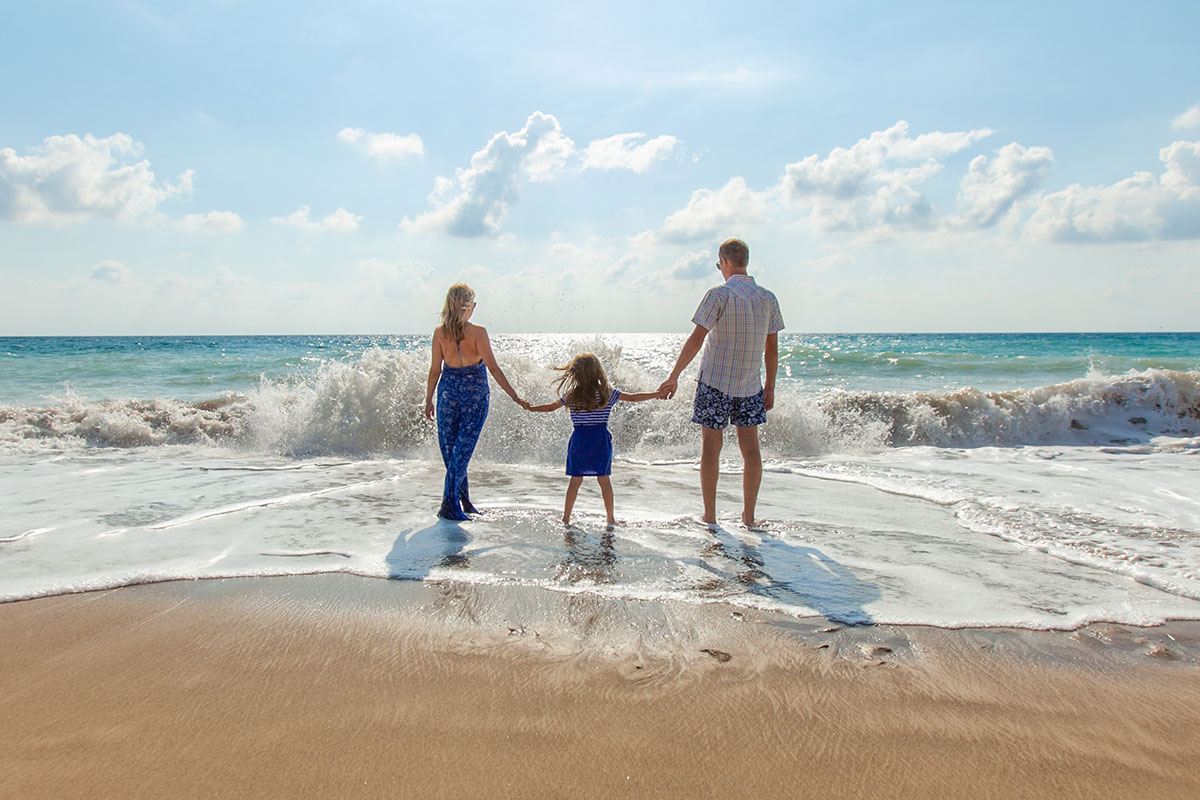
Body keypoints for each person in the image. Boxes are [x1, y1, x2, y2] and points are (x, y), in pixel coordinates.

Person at [658, 238, 784, 529]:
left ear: (725, 262)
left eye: (719, 265)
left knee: (711, 449)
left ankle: (710, 516)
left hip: (714, 382)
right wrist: (771, 387)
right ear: (746, 261)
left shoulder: (718, 295)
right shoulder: (767, 298)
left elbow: (696, 339)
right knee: (750, 450)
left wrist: (674, 375)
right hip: (751, 385)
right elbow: (772, 350)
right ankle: (748, 517)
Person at [525, 353, 662, 529]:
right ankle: (610, 519)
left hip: (580, 440)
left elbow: (551, 407)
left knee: (575, 481)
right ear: (598, 372)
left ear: (575, 374)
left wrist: (531, 408)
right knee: (604, 480)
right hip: (600, 440)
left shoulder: (571, 395)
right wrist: (656, 394)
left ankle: (566, 518)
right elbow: (634, 397)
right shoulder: (607, 393)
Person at [425, 283, 526, 521]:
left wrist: (428, 399)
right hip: (475, 396)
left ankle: (463, 502)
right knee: (460, 453)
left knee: (454, 453)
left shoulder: (440, 333)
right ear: (468, 307)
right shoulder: (478, 333)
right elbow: (492, 367)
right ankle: (450, 505)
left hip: (448, 394)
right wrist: (514, 395)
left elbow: (434, 370)